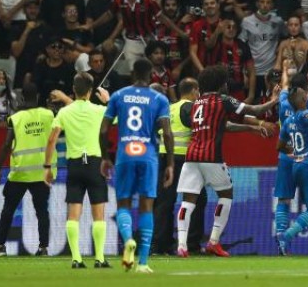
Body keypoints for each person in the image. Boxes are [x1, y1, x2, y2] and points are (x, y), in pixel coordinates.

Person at [175, 65, 279, 257]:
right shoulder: (222, 100)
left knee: (188, 201)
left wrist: (252, 130)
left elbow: (225, 125)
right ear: (220, 84)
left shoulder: (197, 102)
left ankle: (181, 245)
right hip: (211, 157)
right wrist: (274, 100)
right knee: (226, 194)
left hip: (191, 157)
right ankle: (214, 241)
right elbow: (254, 109)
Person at [100, 59, 174, 273]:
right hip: (148, 154)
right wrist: (169, 163)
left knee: (123, 204)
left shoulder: (118, 95)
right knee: (146, 206)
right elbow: (167, 133)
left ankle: (128, 240)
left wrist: (105, 158)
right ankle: (142, 262)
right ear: (151, 74)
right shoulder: (159, 98)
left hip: (125, 153)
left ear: (132, 73)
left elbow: (104, 130)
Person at [44, 73, 111, 269]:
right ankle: (99, 258)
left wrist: (47, 167)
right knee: (98, 215)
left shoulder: (64, 112)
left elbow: (51, 140)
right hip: (95, 164)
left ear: (73, 89)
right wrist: (108, 100)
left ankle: (76, 259)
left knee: (73, 214)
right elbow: (119, 119)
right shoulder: (100, 110)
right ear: (91, 91)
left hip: (74, 166)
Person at [0, 83, 54, 257]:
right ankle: (43, 248)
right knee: (42, 211)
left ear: (22, 98)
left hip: (20, 172)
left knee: (8, 210)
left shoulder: (16, 118)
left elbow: (7, 144)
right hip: (41, 172)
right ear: (37, 96)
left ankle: (0, 246)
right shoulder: (48, 114)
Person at [152, 78, 207, 256]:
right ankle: (192, 244)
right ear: (194, 91)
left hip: (164, 157)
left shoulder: (169, 108)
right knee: (197, 200)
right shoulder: (190, 108)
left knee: (164, 203)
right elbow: (204, 130)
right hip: (185, 159)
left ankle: (161, 245)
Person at [275, 85, 308, 255]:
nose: (307, 97)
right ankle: (286, 236)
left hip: (295, 164)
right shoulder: (306, 115)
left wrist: (294, 152)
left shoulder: (288, 121)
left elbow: (279, 146)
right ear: (302, 100)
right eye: (305, 95)